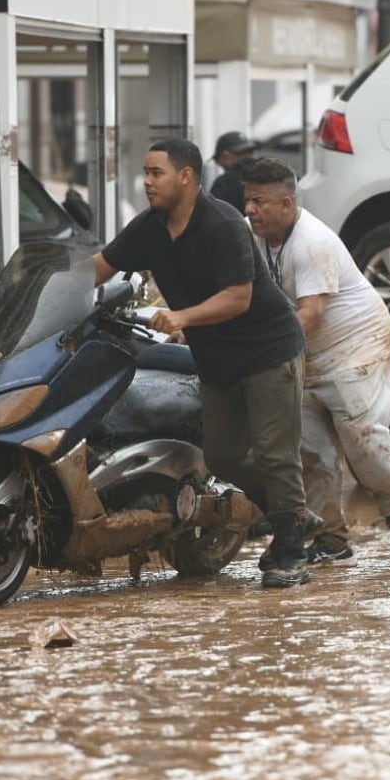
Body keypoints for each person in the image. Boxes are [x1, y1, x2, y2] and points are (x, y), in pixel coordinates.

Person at [92, 138, 314, 589]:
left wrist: (182, 316)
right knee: (223, 456)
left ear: (186, 177)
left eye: (157, 173)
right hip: (217, 359)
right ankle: (293, 516)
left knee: (275, 454)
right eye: (146, 173)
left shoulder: (224, 224)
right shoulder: (150, 228)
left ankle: (290, 551)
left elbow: (239, 297)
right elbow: (100, 266)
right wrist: (49, 291)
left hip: (267, 351)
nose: (147, 182)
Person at [238, 157, 390, 567]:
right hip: (304, 350)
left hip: (355, 342)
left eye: (259, 202)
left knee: (362, 438)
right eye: (247, 200)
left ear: (286, 204)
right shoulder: (257, 237)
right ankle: (332, 540)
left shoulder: (311, 242)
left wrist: (261, 353)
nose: (250, 210)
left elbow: (312, 312)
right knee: (311, 452)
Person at [209, 130, 260, 215]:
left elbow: (212, 215)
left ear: (226, 156)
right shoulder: (274, 173)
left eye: (220, 163)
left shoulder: (224, 182)